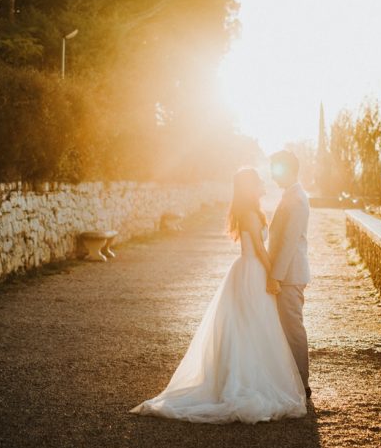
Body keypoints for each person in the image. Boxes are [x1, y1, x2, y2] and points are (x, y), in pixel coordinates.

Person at [129, 168, 306, 424]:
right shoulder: (249, 214)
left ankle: (240, 376)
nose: (262, 185)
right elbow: (258, 250)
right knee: (252, 325)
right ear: (249, 187)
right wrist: (273, 277)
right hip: (253, 271)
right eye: (257, 182)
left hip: (246, 270)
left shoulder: (246, 211)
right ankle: (244, 381)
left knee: (246, 326)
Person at [267, 149, 312, 397]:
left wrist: (276, 276)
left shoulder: (297, 198)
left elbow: (289, 242)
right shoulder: (291, 195)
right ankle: (291, 381)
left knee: (293, 329)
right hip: (287, 274)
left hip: (290, 276)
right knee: (285, 328)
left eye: (276, 170)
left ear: (289, 170)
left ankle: (302, 385)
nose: (273, 176)